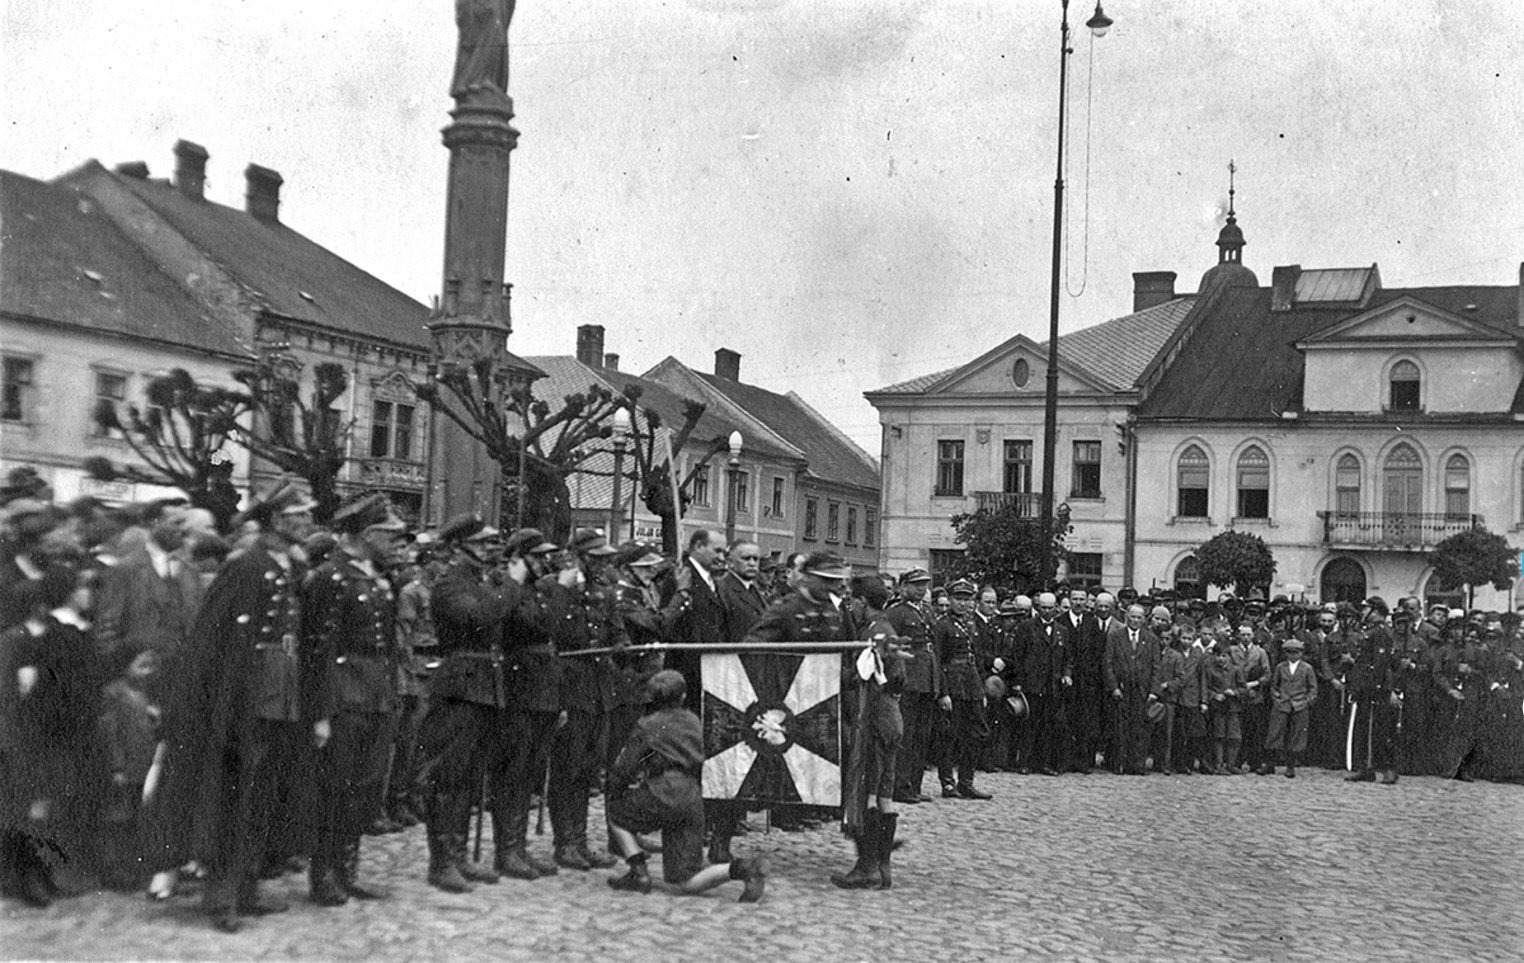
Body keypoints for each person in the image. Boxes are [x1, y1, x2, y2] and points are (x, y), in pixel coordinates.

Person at [143, 482, 325, 934]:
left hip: (278, 694)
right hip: (243, 697)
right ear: (278, 521)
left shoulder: (283, 565)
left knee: (262, 793)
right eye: (300, 514)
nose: (308, 521)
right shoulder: (247, 565)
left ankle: (245, 887)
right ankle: (221, 894)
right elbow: (211, 638)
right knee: (235, 796)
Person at [605, 670, 767, 902]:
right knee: (686, 881)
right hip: (691, 796)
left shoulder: (647, 725)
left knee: (616, 814)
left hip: (660, 791)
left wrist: (617, 788)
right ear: (681, 697)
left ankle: (638, 871)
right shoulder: (693, 720)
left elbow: (626, 766)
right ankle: (743, 869)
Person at [544, 529, 625, 872]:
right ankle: (565, 843)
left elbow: (617, 629)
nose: (605, 565)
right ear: (583, 558)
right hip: (570, 685)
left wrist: (620, 643)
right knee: (567, 768)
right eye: (599, 558)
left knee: (588, 770)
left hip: (598, 689)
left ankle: (580, 840)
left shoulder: (604, 594)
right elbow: (550, 630)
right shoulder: (557, 588)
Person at [833, 578, 905, 889]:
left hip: (874, 719)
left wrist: (836, 674)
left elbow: (863, 676)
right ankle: (882, 865)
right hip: (889, 716)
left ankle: (867, 866)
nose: (852, 606)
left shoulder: (875, 632)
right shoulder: (886, 628)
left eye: (854, 600)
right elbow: (898, 677)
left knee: (867, 792)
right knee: (884, 793)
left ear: (863, 601)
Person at [932, 579, 991, 800]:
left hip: (972, 686)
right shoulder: (942, 626)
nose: (963, 604)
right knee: (949, 735)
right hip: (953, 686)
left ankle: (966, 782)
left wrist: (982, 691)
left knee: (975, 734)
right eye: (958, 599)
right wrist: (943, 692)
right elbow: (938, 660)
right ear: (950, 600)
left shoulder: (972, 625)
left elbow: (977, 659)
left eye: (967, 600)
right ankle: (947, 783)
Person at [660, 529, 729, 712]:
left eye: (724, 553)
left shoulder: (712, 580)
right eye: (718, 551)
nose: (722, 558)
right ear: (699, 546)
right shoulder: (681, 577)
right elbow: (669, 623)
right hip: (688, 668)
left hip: (709, 667)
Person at [886, 568, 939, 804]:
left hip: (926, 679)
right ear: (902, 586)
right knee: (905, 736)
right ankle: (901, 786)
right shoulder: (896, 613)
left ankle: (914, 785)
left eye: (924, 585)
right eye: (916, 584)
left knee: (922, 736)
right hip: (908, 680)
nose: (921, 589)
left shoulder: (926, 612)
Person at [1014, 592, 1071, 776]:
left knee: (1048, 726)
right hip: (1032, 684)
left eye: (1050, 608)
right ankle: (1025, 762)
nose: (1047, 612)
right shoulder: (1026, 627)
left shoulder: (1062, 630)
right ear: (1038, 608)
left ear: (1055, 608)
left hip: (1052, 685)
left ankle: (1044, 763)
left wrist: (1066, 674)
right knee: (1030, 725)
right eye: (1043, 608)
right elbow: (1018, 656)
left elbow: (1068, 659)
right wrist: (1018, 682)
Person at [1345, 607, 1401, 785]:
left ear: (1375, 611)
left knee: (1381, 730)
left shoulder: (1381, 632)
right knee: (1364, 729)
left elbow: (1381, 662)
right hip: (1365, 688)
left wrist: (1377, 686)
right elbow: (1362, 664)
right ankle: (1366, 768)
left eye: (1366, 608)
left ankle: (1389, 769)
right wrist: (1357, 687)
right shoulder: (1369, 631)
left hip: (1376, 689)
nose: (1363, 611)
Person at [1104, 604, 1160, 776]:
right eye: (1133, 617)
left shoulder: (1151, 639)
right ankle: (1119, 763)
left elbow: (1156, 667)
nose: (1135, 620)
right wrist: (1113, 686)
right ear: (1126, 616)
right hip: (1122, 689)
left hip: (1142, 691)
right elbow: (1108, 663)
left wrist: (1153, 691)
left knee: (1140, 729)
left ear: (1144, 619)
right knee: (1121, 728)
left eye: (1139, 617)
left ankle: (1137, 765)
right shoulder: (1115, 636)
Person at [1259, 637, 1317, 777]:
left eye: (1296, 652)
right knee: (1275, 733)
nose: (1293, 655)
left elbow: (1313, 689)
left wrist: (1307, 701)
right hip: (1282, 703)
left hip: (1299, 704)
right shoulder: (1280, 667)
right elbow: (1274, 686)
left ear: (1301, 653)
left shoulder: (1307, 668)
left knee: (1296, 736)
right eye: (1290, 652)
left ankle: (1290, 766)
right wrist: (1276, 698)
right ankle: (1270, 764)